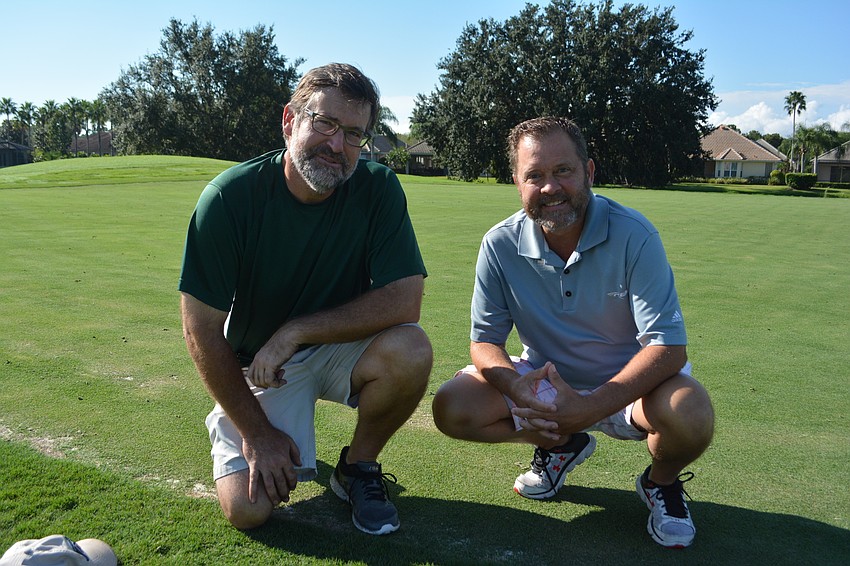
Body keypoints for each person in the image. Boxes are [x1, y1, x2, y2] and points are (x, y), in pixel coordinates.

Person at [432, 116, 714, 549]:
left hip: (630, 389)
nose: (550, 188)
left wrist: (592, 405)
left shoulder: (634, 235)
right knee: (452, 405)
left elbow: (667, 348)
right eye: (535, 175)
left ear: (589, 172)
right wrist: (518, 385)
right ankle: (561, 445)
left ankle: (661, 482)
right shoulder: (499, 243)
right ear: (517, 181)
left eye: (563, 171)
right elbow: (485, 341)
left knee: (690, 412)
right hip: (546, 388)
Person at [179, 63, 432, 535]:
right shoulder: (230, 197)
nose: (338, 146)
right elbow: (200, 330)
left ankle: (357, 468)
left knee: (411, 349)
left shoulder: (377, 188)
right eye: (325, 123)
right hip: (263, 367)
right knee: (249, 510)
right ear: (289, 120)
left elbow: (405, 301)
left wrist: (295, 332)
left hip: (338, 349)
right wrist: (256, 433)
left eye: (354, 133)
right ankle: (236, 422)